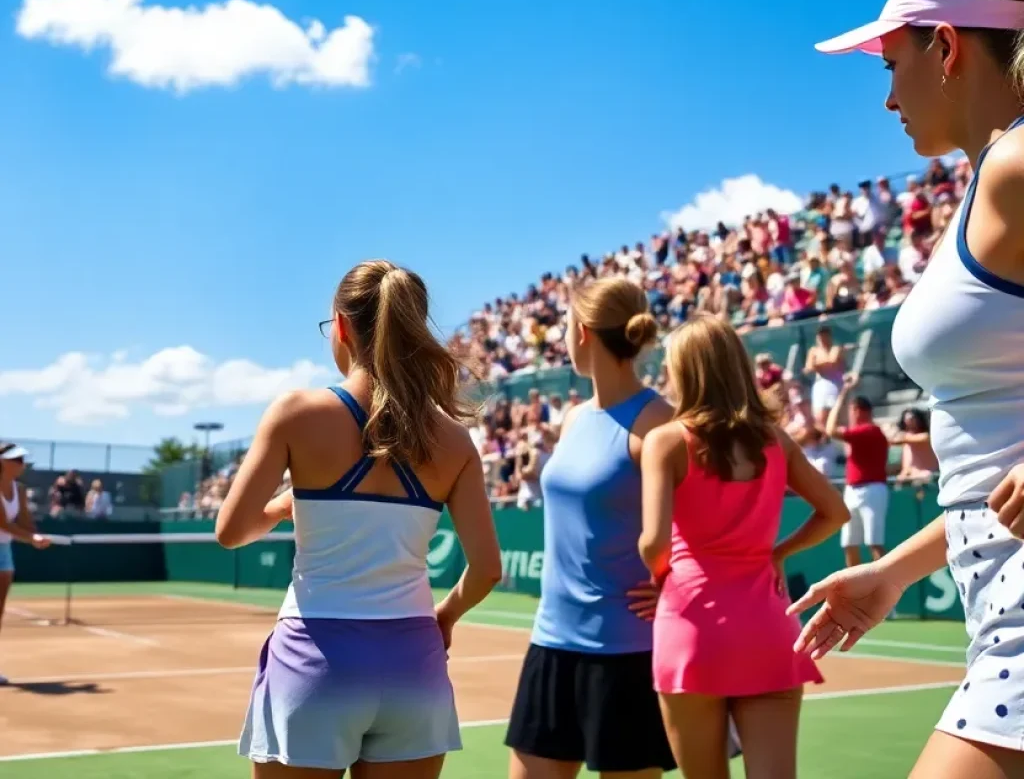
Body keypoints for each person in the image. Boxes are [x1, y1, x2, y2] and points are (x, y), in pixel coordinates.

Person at [793, 0, 1024, 778]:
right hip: (998, 607)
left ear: (949, 47)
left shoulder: (1017, 165)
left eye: (892, 63)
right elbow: (993, 466)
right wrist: (891, 573)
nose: (888, 96)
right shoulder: (992, 179)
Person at [217, 260, 502, 778]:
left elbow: (230, 531)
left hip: (314, 663)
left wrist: (284, 507)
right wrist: (445, 618)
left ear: (343, 327)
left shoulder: (296, 413)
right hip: (415, 666)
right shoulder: (455, 442)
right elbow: (486, 571)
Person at [638, 315, 848, 779]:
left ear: (683, 372)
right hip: (768, 628)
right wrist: (778, 552)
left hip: (692, 625)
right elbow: (835, 512)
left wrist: (662, 579)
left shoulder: (666, 441)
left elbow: (653, 542)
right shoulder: (776, 441)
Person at [505, 276, 678, 779]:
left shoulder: (660, 421)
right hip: (551, 643)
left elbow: (701, 516)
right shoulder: (573, 419)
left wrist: (674, 584)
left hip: (627, 654)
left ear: (581, 331)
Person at [824, 375, 891, 567]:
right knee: (849, 544)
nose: (850, 416)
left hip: (872, 491)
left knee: (874, 543)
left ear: (858, 410)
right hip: (853, 491)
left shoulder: (869, 431)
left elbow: (830, 429)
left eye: (851, 411)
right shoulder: (863, 432)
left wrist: (843, 392)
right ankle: (854, 593)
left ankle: (884, 586)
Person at [0, 443, 51, 684]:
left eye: (22, 459)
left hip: (4, 549)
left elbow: (24, 522)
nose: (22, 464)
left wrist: (36, 537)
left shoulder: (19, 489)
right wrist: (31, 538)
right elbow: (3, 523)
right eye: (16, 459)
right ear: (3, 463)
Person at [803, 325, 847, 431]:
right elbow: (809, 367)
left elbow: (833, 363)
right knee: (820, 416)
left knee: (836, 414)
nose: (822, 338)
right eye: (820, 336)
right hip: (820, 384)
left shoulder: (836, 348)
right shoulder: (813, 351)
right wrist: (820, 365)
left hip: (835, 383)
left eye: (825, 335)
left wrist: (818, 364)